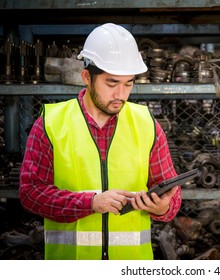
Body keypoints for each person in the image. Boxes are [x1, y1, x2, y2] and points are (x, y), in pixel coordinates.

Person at [19, 23, 181, 260]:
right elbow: (31, 193)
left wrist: (163, 207)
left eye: (129, 83)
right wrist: (91, 203)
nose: (121, 95)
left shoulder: (147, 124)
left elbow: (171, 195)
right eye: (112, 83)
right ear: (87, 77)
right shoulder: (50, 124)